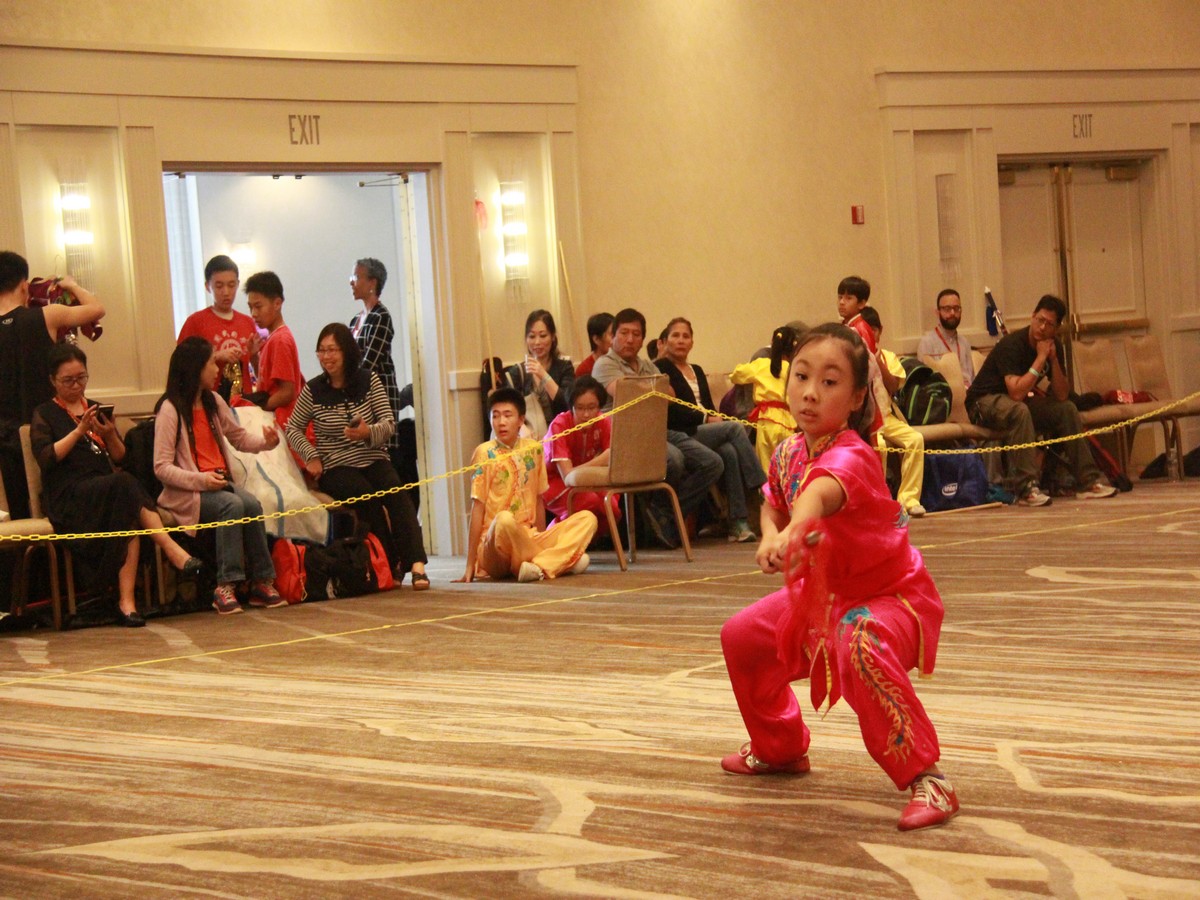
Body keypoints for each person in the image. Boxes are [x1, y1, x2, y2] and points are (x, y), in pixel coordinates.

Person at [719, 322, 957, 832]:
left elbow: (815, 496)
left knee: (859, 640)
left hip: (890, 600)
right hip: (824, 597)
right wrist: (771, 534)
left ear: (855, 398)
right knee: (741, 637)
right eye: (802, 376)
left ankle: (929, 778)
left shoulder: (853, 454)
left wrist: (793, 530)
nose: (810, 392)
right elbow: (774, 501)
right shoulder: (788, 451)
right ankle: (779, 749)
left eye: (829, 382)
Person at [30, 344, 202, 627]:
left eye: (81, 378)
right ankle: (170, 547)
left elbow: (122, 458)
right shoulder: (45, 413)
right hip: (69, 495)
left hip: (105, 490)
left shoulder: (95, 408)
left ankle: (127, 604)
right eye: (68, 380)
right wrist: (79, 431)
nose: (77, 385)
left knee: (126, 506)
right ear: (53, 380)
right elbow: (47, 458)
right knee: (124, 486)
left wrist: (109, 434)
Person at [286, 323, 430, 589]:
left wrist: (367, 433)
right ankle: (390, 562)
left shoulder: (369, 380)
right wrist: (311, 456)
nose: (326, 357)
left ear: (347, 351)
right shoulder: (313, 390)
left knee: (396, 492)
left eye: (332, 350)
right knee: (365, 496)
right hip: (336, 466)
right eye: (321, 351)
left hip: (373, 457)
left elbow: (388, 423)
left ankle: (417, 563)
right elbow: (292, 428)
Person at [154, 337, 286, 615]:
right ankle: (225, 585)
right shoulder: (170, 409)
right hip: (188, 492)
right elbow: (161, 467)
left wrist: (267, 442)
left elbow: (238, 438)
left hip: (217, 483)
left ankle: (261, 581)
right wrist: (201, 480)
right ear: (195, 368)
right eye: (212, 363)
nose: (217, 369)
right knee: (233, 505)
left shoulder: (213, 401)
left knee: (252, 504)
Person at [965, 295, 1117, 507]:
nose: (1042, 327)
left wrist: (1052, 360)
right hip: (983, 402)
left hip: (1015, 403)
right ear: (1033, 316)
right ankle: (1026, 488)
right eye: (1040, 320)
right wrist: (1040, 358)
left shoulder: (1054, 347)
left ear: (1056, 328)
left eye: (1049, 324)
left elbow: (1062, 395)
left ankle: (1088, 482)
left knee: (1066, 409)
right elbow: (1016, 393)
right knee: (1020, 410)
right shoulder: (1011, 345)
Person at [593, 308, 722, 548]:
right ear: (613, 336)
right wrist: (653, 389)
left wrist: (647, 389)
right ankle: (664, 518)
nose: (630, 339)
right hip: (626, 436)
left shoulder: (646, 365)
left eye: (636, 334)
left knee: (712, 463)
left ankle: (663, 513)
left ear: (643, 339)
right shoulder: (604, 364)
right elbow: (623, 392)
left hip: (658, 430)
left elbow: (670, 394)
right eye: (624, 333)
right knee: (675, 459)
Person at [1, 251, 105, 521]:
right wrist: (71, 285)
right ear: (24, 286)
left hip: (4, 434)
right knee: (55, 503)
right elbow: (97, 309)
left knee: (19, 512)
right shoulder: (47, 316)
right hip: (48, 429)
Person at [457, 387, 596, 583]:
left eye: (507, 415)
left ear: (521, 420)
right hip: (495, 546)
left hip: (529, 537)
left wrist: (540, 536)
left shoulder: (534, 449)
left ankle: (538, 565)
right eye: (495, 416)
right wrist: (470, 564)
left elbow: (538, 501)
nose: (501, 422)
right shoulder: (484, 452)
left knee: (587, 519)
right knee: (504, 520)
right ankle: (558, 562)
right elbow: (477, 508)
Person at [655, 317, 765, 542]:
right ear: (665, 341)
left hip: (703, 431)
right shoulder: (661, 368)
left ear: (692, 342)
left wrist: (712, 418)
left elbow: (708, 406)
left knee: (729, 451)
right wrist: (706, 418)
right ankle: (760, 487)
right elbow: (673, 412)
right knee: (735, 429)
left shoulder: (696, 369)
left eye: (686, 336)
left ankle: (737, 523)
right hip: (681, 431)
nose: (681, 340)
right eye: (675, 336)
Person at [348, 257, 416, 482]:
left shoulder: (381, 317)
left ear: (372, 283)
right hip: (359, 396)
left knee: (385, 455)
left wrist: (347, 385)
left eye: (356, 277)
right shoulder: (355, 321)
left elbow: (370, 362)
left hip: (379, 396)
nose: (351, 282)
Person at [861, 307, 926, 517]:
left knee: (915, 439)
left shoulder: (888, 356)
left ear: (880, 331)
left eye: (874, 330)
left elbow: (893, 386)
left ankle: (909, 499)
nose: (870, 334)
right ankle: (879, 500)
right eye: (866, 330)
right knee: (879, 446)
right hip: (866, 420)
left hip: (887, 417)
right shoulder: (854, 356)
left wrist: (877, 361)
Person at [177, 255, 260, 404]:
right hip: (207, 403)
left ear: (238, 284)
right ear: (207, 286)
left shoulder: (247, 322)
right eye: (219, 286)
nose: (226, 292)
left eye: (231, 285)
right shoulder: (195, 322)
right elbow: (181, 366)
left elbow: (259, 372)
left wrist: (254, 356)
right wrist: (216, 356)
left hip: (243, 403)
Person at [542, 376, 619, 527]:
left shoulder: (603, 421)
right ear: (571, 406)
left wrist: (605, 459)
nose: (586, 414)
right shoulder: (559, 425)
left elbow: (614, 457)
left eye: (592, 407)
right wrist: (602, 460)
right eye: (580, 408)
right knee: (589, 502)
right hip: (554, 482)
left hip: (587, 479)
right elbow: (567, 476)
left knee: (612, 508)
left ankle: (590, 538)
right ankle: (554, 534)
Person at [730, 324, 801, 475]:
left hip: (766, 421)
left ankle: (768, 490)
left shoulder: (761, 364)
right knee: (788, 466)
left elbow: (736, 375)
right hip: (789, 423)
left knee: (766, 468)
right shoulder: (793, 369)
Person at [243, 271, 304, 429]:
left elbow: (287, 392)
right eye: (250, 307)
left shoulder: (280, 340)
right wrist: (254, 357)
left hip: (283, 421)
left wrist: (260, 406)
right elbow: (268, 383)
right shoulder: (272, 338)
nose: (253, 314)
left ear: (277, 303)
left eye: (258, 306)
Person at [501, 309, 575, 438]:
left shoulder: (565, 367)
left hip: (559, 436)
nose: (537, 342)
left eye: (543, 336)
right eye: (532, 336)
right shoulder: (517, 373)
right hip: (526, 438)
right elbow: (507, 408)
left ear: (553, 337)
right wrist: (521, 427)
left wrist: (543, 374)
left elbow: (566, 403)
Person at [917, 289, 975, 388]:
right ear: (937, 312)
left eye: (956, 308)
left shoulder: (964, 342)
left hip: (968, 393)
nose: (952, 313)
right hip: (943, 394)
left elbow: (972, 377)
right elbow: (924, 383)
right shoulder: (927, 343)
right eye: (947, 309)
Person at [575, 312, 614, 378]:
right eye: (612, 335)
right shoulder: (584, 370)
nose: (616, 339)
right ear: (596, 339)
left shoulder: (622, 363)